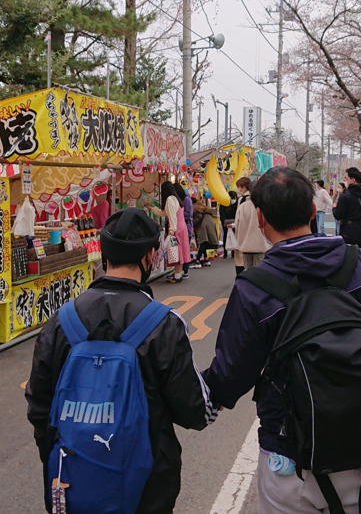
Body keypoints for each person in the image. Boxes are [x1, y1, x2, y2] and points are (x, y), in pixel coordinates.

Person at [204, 167, 361, 514]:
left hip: (290, 456)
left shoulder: (254, 288)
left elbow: (232, 374)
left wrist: (204, 399)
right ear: (313, 211)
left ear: (261, 219)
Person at [26, 208, 218, 513]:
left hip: (72, 482)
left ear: (104, 254)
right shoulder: (164, 324)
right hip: (147, 489)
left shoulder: (62, 321)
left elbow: (39, 405)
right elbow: (195, 411)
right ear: (150, 256)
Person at [233, 177, 271, 273]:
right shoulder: (265, 205)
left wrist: (239, 240)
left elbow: (237, 225)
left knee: (248, 273)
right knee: (260, 274)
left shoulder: (243, 205)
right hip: (261, 244)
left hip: (246, 244)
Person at [161, 182, 188, 283]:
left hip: (176, 228)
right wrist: (153, 209)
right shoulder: (176, 198)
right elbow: (166, 213)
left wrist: (171, 230)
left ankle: (177, 275)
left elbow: (171, 216)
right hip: (181, 227)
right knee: (179, 251)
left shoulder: (169, 199)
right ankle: (178, 274)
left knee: (176, 251)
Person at [193, 199, 220, 267]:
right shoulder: (205, 209)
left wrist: (192, 223)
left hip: (203, 226)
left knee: (203, 243)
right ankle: (206, 259)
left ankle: (197, 260)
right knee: (207, 243)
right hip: (210, 224)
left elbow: (198, 218)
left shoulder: (197, 209)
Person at [180, 183, 195, 278]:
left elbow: (189, 214)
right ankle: (181, 270)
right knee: (183, 250)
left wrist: (179, 215)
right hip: (184, 227)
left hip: (186, 227)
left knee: (185, 249)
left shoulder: (186, 199)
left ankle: (185, 270)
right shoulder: (183, 199)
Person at [219, 190, 238, 258]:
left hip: (232, 222)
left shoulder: (237, 203)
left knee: (233, 236)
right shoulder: (224, 204)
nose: (234, 199)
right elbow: (222, 214)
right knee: (226, 236)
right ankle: (226, 251)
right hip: (227, 223)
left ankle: (233, 251)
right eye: (233, 198)